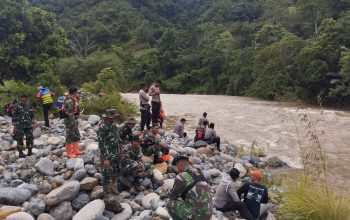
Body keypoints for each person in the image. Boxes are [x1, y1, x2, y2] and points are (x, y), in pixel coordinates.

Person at [166, 155, 213, 220]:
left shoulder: (182, 176)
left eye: (176, 167)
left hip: (196, 217)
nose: (177, 170)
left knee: (169, 202)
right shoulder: (200, 173)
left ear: (181, 165)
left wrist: (165, 193)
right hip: (208, 215)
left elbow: (173, 196)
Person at [97, 109, 122, 199]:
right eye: (112, 117)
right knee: (106, 173)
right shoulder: (102, 127)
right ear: (107, 117)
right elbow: (102, 144)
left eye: (114, 117)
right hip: (107, 154)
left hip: (116, 153)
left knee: (116, 171)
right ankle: (106, 192)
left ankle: (113, 187)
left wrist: (121, 152)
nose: (113, 119)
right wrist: (106, 158)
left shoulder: (114, 125)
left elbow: (118, 140)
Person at [64, 87, 82, 158]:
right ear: (74, 93)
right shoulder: (69, 101)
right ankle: (69, 153)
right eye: (76, 92)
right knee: (69, 136)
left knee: (76, 135)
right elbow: (70, 114)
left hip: (74, 120)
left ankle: (76, 150)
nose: (77, 93)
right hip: (70, 121)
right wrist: (73, 124)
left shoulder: (72, 100)